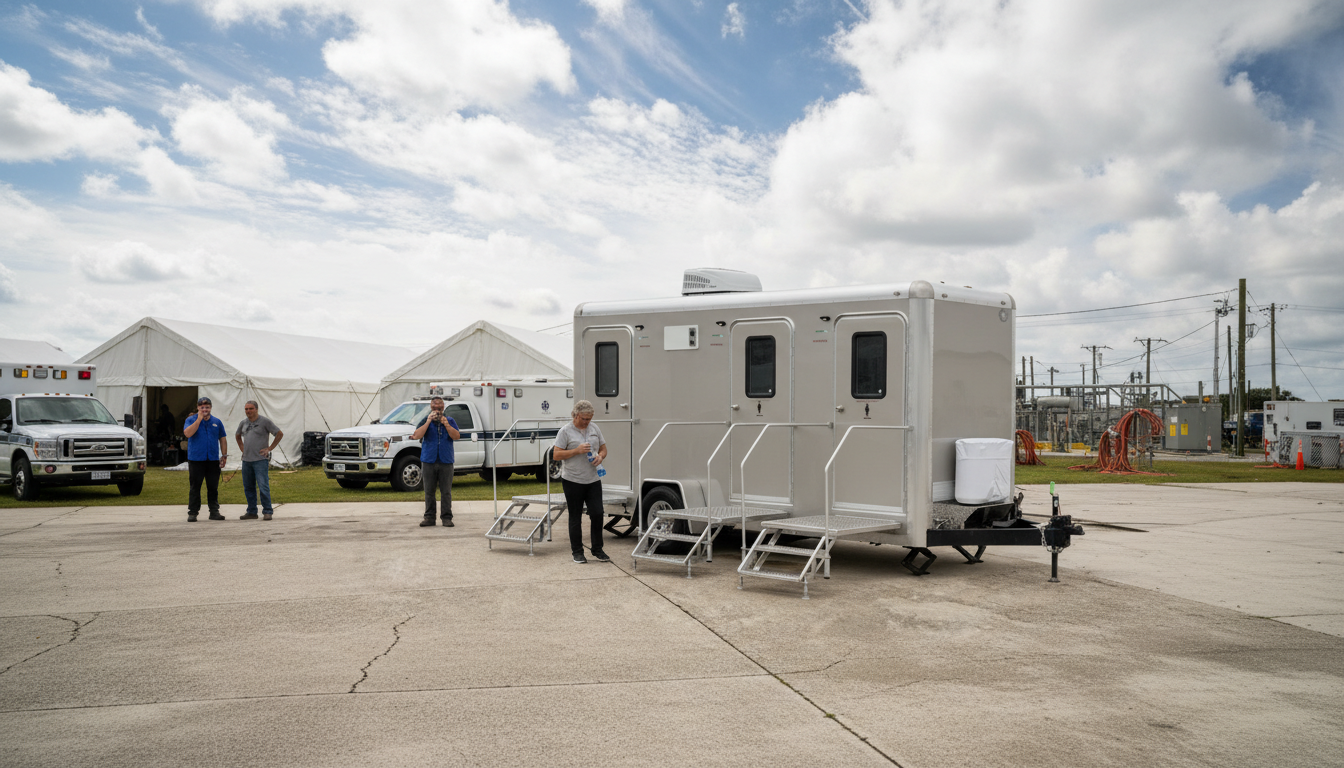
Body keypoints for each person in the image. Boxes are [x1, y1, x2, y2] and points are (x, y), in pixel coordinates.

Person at [552, 400, 609, 563]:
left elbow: (604, 448)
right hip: (573, 480)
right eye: (584, 419)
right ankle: (577, 552)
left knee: (598, 513)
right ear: (576, 415)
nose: (587, 422)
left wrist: (600, 456)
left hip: (593, 479)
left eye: (589, 419)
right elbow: (556, 455)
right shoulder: (565, 431)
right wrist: (576, 451)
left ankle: (597, 549)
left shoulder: (594, 428)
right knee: (575, 516)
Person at [410, 396, 459, 527]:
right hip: (428, 460)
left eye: (439, 407)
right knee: (429, 491)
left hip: (446, 460)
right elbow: (417, 435)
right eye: (434, 407)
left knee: (446, 491)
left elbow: (456, 436)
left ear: (443, 408)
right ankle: (429, 517)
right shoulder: (425, 420)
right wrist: (428, 422)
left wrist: (446, 424)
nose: (437, 409)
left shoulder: (450, 420)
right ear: (431, 408)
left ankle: (447, 517)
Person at [235, 400, 283, 521]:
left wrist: (270, 448)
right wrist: (242, 448)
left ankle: (267, 511)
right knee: (248, 487)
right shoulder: (243, 423)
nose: (248, 411)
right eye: (246, 409)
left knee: (263, 486)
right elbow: (237, 435)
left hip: (260, 460)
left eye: (251, 409)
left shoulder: (264, 422)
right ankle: (251, 511)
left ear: (256, 409)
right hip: (247, 460)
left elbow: (279, 433)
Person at [183, 396, 228, 522]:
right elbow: (188, 433)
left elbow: (223, 438)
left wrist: (224, 455)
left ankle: (214, 511)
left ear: (211, 408)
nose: (204, 409)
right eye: (202, 407)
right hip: (196, 459)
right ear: (198, 408)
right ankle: (193, 512)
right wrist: (198, 419)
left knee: (213, 487)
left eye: (207, 407)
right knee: (195, 487)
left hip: (213, 459)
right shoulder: (191, 420)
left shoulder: (217, 422)